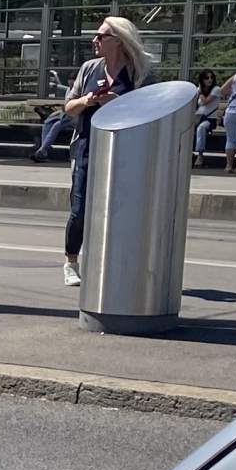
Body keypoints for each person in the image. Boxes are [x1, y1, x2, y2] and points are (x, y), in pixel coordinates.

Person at [61, 16, 151, 288]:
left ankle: (113, 261)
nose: (95, 41)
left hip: (125, 151)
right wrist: (87, 101)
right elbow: (68, 108)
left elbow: (150, 109)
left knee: (119, 210)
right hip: (88, 147)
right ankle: (71, 262)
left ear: (119, 40)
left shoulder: (139, 72)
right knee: (80, 209)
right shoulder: (90, 69)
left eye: (101, 36)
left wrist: (119, 101)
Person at [190, 69, 225, 169]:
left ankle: (200, 155)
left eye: (211, 77)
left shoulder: (216, 89)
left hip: (209, 118)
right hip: (197, 117)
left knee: (201, 128)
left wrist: (200, 93)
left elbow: (206, 102)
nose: (209, 80)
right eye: (206, 78)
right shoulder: (198, 90)